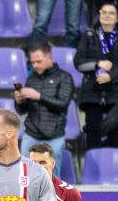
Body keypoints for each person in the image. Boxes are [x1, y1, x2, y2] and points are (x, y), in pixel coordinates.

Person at [73, 2, 118, 148]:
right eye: (103, 12)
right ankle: (93, 164)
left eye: (111, 13)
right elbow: (78, 62)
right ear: (99, 15)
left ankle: (114, 166)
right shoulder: (89, 34)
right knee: (92, 132)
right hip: (92, 90)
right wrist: (96, 64)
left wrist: (111, 76)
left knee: (117, 130)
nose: (107, 15)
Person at [16, 44, 74, 176]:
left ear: (49, 58)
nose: (35, 65)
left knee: (52, 176)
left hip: (54, 135)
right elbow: (23, 110)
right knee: (25, 176)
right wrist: (19, 101)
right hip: (31, 133)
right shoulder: (31, 79)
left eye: (38, 61)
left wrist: (38, 96)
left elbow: (63, 104)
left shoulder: (64, 77)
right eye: (32, 62)